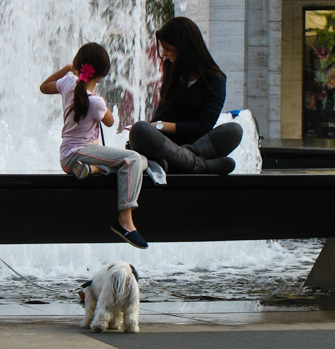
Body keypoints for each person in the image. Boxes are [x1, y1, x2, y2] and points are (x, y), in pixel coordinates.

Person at [40, 43, 148, 249]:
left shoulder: (67, 83)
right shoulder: (96, 102)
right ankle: (125, 220)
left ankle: (93, 170)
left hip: (67, 158)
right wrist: (103, 103)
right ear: (102, 74)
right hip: (81, 153)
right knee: (135, 160)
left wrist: (66, 68)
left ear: (78, 64)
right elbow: (109, 122)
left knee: (133, 162)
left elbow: (44, 87)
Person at [128, 17, 242, 174]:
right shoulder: (171, 68)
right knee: (139, 129)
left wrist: (161, 126)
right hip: (164, 143)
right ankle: (200, 165)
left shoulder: (215, 79)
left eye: (168, 49)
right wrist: (153, 127)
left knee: (234, 130)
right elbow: (163, 109)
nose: (164, 54)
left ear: (185, 48)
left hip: (195, 143)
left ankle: (175, 161)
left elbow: (203, 127)